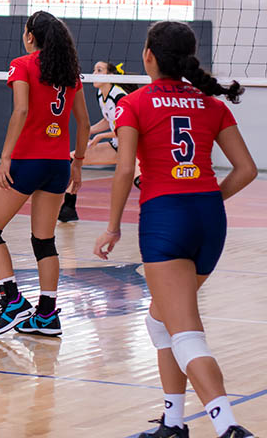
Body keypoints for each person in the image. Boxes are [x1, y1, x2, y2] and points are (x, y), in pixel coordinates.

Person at [95, 22, 257, 438]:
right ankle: (172, 421)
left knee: (185, 331)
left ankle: (229, 427)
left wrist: (112, 227)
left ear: (148, 55)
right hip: (208, 217)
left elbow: (125, 168)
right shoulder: (212, 104)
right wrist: (207, 201)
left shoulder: (134, 102)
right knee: (160, 319)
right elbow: (247, 170)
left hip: (166, 218)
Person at [0, 11, 89, 338]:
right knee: (44, 240)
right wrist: (78, 163)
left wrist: (6, 156)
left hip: (27, 160)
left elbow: (21, 110)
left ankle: (11, 300)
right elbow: (82, 123)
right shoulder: (71, 73)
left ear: (30, 36)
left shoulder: (23, 64)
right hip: (58, 164)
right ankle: (47, 314)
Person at [60, 60, 137, 223]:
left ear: (110, 75)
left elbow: (125, 130)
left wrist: (100, 137)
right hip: (117, 147)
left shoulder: (119, 96)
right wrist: (90, 130)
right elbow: (108, 120)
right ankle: (68, 208)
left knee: (141, 181)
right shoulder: (101, 94)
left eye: (99, 70)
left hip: (134, 149)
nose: (94, 74)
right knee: (73, 159)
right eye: (94, 70)